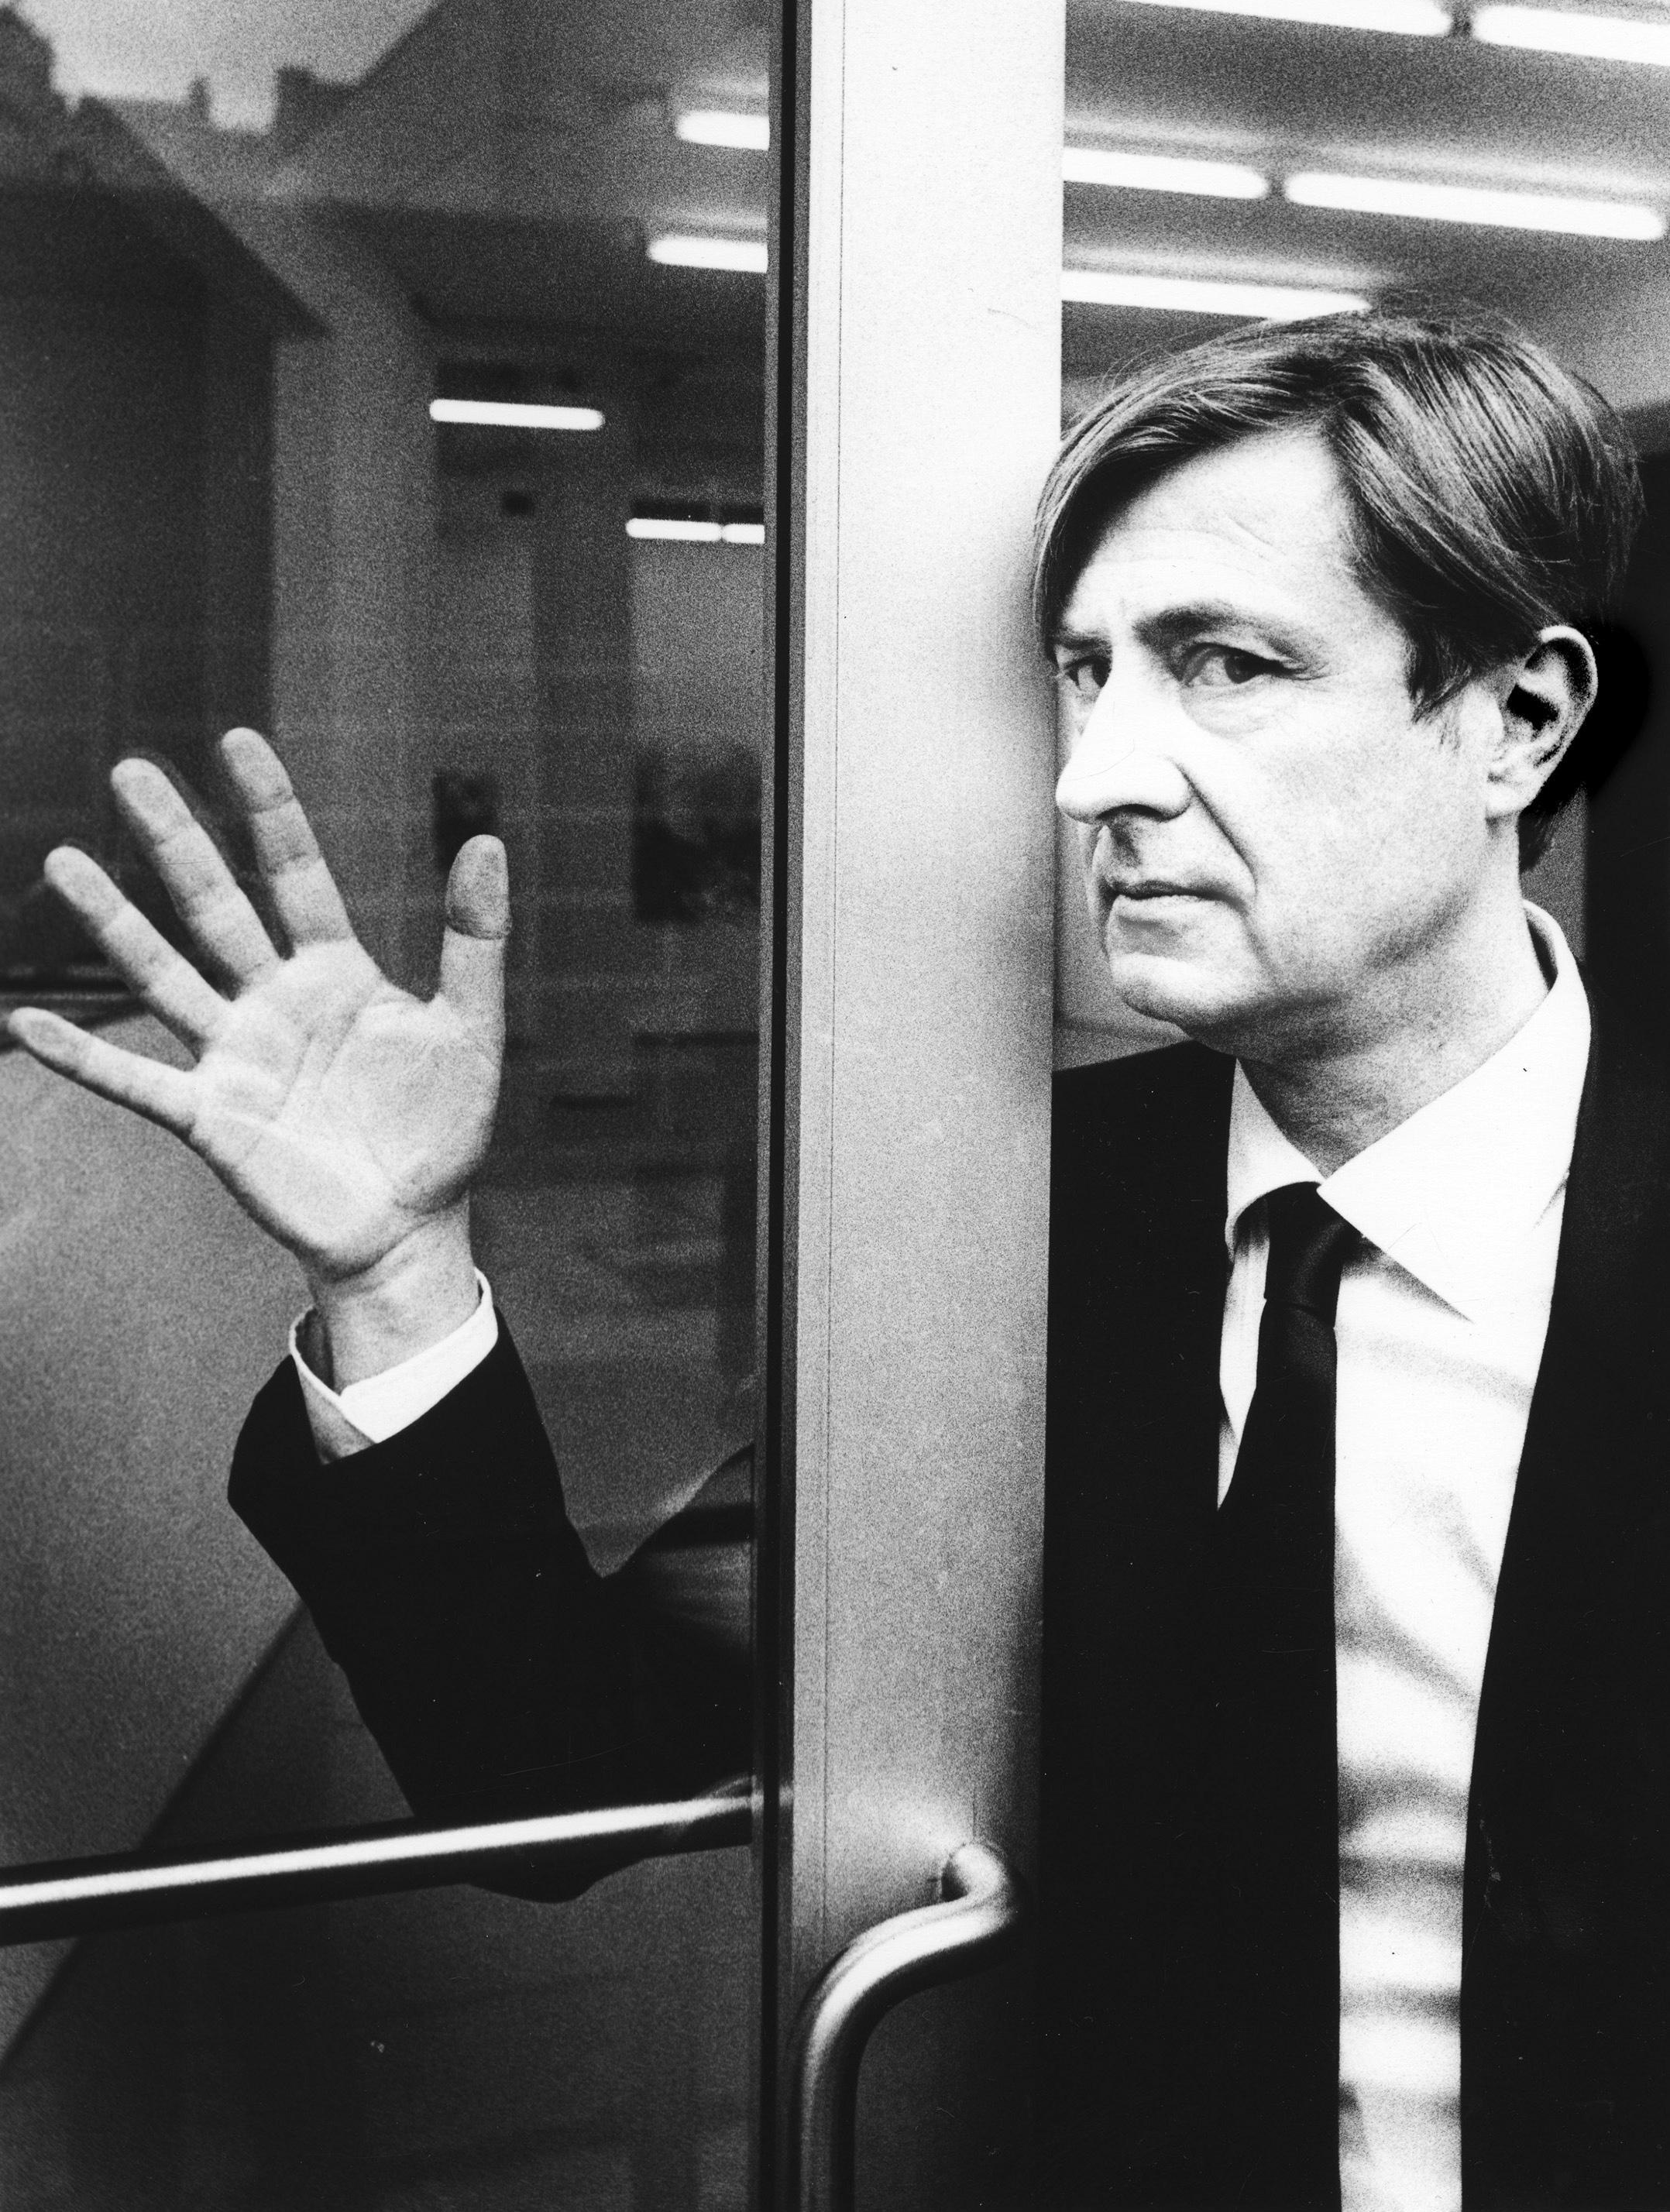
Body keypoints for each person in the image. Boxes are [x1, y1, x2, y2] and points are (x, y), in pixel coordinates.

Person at [6, 299, 1660, 2210]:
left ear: (1517, 720)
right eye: (1086, 672)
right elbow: (553, 1766)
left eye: (1226, 664)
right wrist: (395, 1271)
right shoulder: (1004, 1227)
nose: (1094, 778)